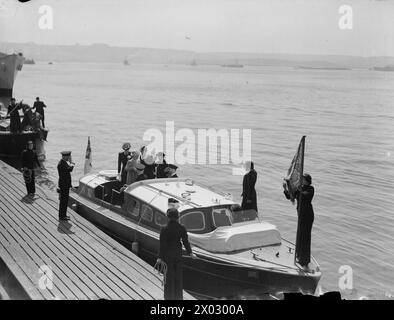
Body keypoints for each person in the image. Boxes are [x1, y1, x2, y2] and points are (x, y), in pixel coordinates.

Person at [157, 208, 196, 300]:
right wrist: (190, 253)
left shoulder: (164, 228)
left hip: (167, 256)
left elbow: (162, 244)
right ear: (178, 217)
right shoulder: (182, 228)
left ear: (168, 217)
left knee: (168, 277)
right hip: (178, 255)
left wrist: (159, 257)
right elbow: (185, 242)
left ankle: (168, 297)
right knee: (178, 278)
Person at [283, 173, 315, 269]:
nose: (302, 180)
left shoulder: (310, 189)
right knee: (300, 235)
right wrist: (286, 188)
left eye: (303, 179)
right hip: (300, 214)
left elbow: (304, 197)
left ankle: (304, 260)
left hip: (307, 215)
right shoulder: (300, 187)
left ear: (307, 181)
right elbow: (290, 196)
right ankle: (299, 255)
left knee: (305, 236)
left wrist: (296, 187)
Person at [57, 151, 75, 221]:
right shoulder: (62, 164)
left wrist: (70, 163)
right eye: (68, 157)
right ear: (64, 157)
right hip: (64, 185)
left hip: (64, 184)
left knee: (64, 201)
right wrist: (72, 163)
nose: (69, 158)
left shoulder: (63, 163)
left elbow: (68, 170)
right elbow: (70, 170)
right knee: (63, 201)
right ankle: (62, 216)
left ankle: (63, 215)